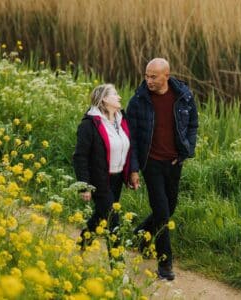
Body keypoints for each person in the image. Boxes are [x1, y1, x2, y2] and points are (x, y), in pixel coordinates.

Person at [126, 58, 198, 280]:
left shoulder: (183, 96)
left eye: (153, 76)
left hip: (174, 162)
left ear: (166, 75)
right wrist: (134, 169)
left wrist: (185, 151)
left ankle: (140, 235)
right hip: (152, 164)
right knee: (162, 214)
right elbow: (133, 139)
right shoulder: (138, 101)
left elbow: (193, 125)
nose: (149, 80)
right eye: (147, 76)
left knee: (169, 206)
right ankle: (165, 265)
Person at [73, 83, 130, 253]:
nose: (119, 97)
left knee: (100, 215)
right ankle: (118, 268)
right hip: (100, 180)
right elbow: (80, 156)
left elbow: (129, 147)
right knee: (113, 221)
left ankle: (82, 246)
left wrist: (131, 172)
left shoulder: (121, 119)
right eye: (115, 94)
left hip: (117, 178)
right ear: (104, 99)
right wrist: (85, 186)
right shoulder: (89, 124)